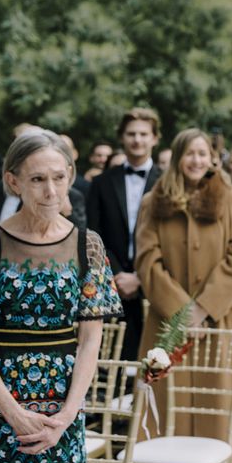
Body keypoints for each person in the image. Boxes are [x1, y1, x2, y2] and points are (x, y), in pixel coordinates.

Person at [0, 129, 122, 463]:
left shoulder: (89, 245)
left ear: (71, 175)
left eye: (59, 177)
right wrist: (12, 413)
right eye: (38, 179)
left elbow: (90, 340)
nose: (51, 191)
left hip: (63, 408)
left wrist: (68, 414)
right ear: (13, 182)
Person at [134, 128, 232, 463]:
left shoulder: (231, 198)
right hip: (165, 326)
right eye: (189, 153)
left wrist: (203, 309)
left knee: (214, 415)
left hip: (217, 321)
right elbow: (147, 260)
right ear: (176, 158)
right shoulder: (153, 202)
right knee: (164, 417)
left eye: (202, 153)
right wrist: (180, 313)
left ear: (212, 158)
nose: (196, 160)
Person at [86, 108, 162, 361]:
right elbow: (94, 234)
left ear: (154, 138)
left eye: (143, 134)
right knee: (113, 362)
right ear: (122, 137)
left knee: (156, 361)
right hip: (112, 280)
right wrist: (117, 273)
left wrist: (140, 276)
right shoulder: (102, 182)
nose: (137, 140)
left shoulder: (168, 182)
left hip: (157, 280)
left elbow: (172, 240)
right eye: (131, 134)